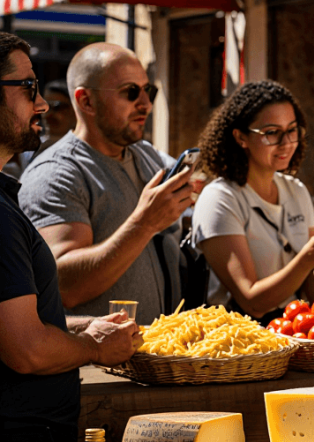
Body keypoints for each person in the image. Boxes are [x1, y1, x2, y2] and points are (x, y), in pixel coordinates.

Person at [0, 32, 140, 442]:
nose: (40, 104)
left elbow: (22, 319)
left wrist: (78, 326)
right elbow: (26, 349)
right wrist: (90, 345)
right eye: (28, 87)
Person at [19, 43, 192, 324]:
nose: (146, 104)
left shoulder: (143, 152)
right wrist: (144, 223)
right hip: (96, 364)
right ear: (86, 101)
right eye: (130, 92)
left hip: (154, 358)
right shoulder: (56, 173)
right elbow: (65, 286)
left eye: (148, 91)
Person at [191, 80, 314, 321]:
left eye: (292, 130)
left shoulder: (295, 191)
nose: (286, 143)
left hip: (291, 334)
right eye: (272, 133)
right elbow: (252, 302)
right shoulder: (220, 199)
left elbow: (313, 293)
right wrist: (308, 257)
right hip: (239, 344)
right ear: (240, 137)